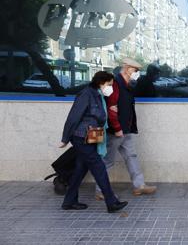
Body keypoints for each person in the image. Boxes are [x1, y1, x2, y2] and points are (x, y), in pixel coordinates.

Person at [60, 71, 128, 213]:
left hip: (90, 136)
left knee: (80, 169)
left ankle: (69, 201)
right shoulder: (87, 94)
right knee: (99, 168)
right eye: (109, 84)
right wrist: (65, 138)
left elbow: (99, 115)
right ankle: (111, 202)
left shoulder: (98, 95)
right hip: (81, 137)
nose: (110, 87)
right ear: (101, 83)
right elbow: (73, 117)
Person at [95, 58, 157, 200]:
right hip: (116, 130)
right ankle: (100, 190)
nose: (137, 73)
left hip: (126, 129)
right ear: (127, 68)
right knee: (107, 160)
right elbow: (111, 109)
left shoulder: (128, 84)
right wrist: (117, 129)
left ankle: (139, 186)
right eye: (136, 70)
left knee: (131, 156)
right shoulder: (115, 84)